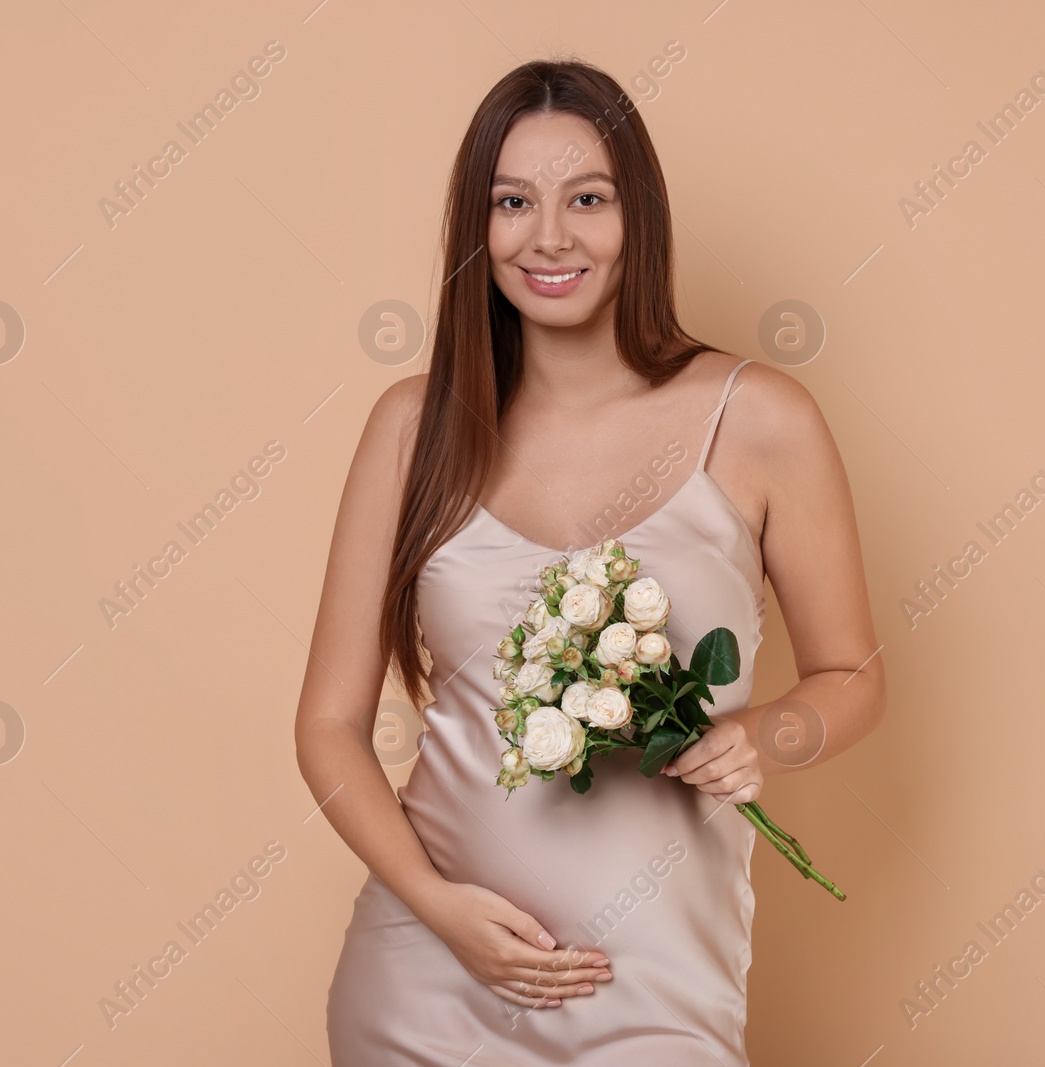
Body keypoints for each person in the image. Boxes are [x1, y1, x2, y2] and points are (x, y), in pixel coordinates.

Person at [295, 58, 885, 1065]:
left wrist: (768, 733)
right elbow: (328, 723)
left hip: (658, 977)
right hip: (429, 971)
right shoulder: (412, 426)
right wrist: (435, 904)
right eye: (512, 201)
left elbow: (855, 676)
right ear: (476, 231)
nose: (550, 235)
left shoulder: (760, 419)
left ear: (637, 218)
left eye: (588, 198)